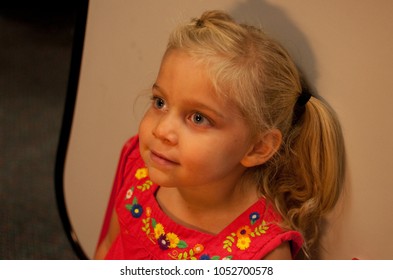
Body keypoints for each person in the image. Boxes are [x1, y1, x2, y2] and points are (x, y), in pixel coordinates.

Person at [94, 10, 345, 260]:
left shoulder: (262, 255)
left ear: (258, 147)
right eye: (160, 102)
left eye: (199, 118)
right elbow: (108, 250)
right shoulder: (141, 166)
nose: (160, 131)